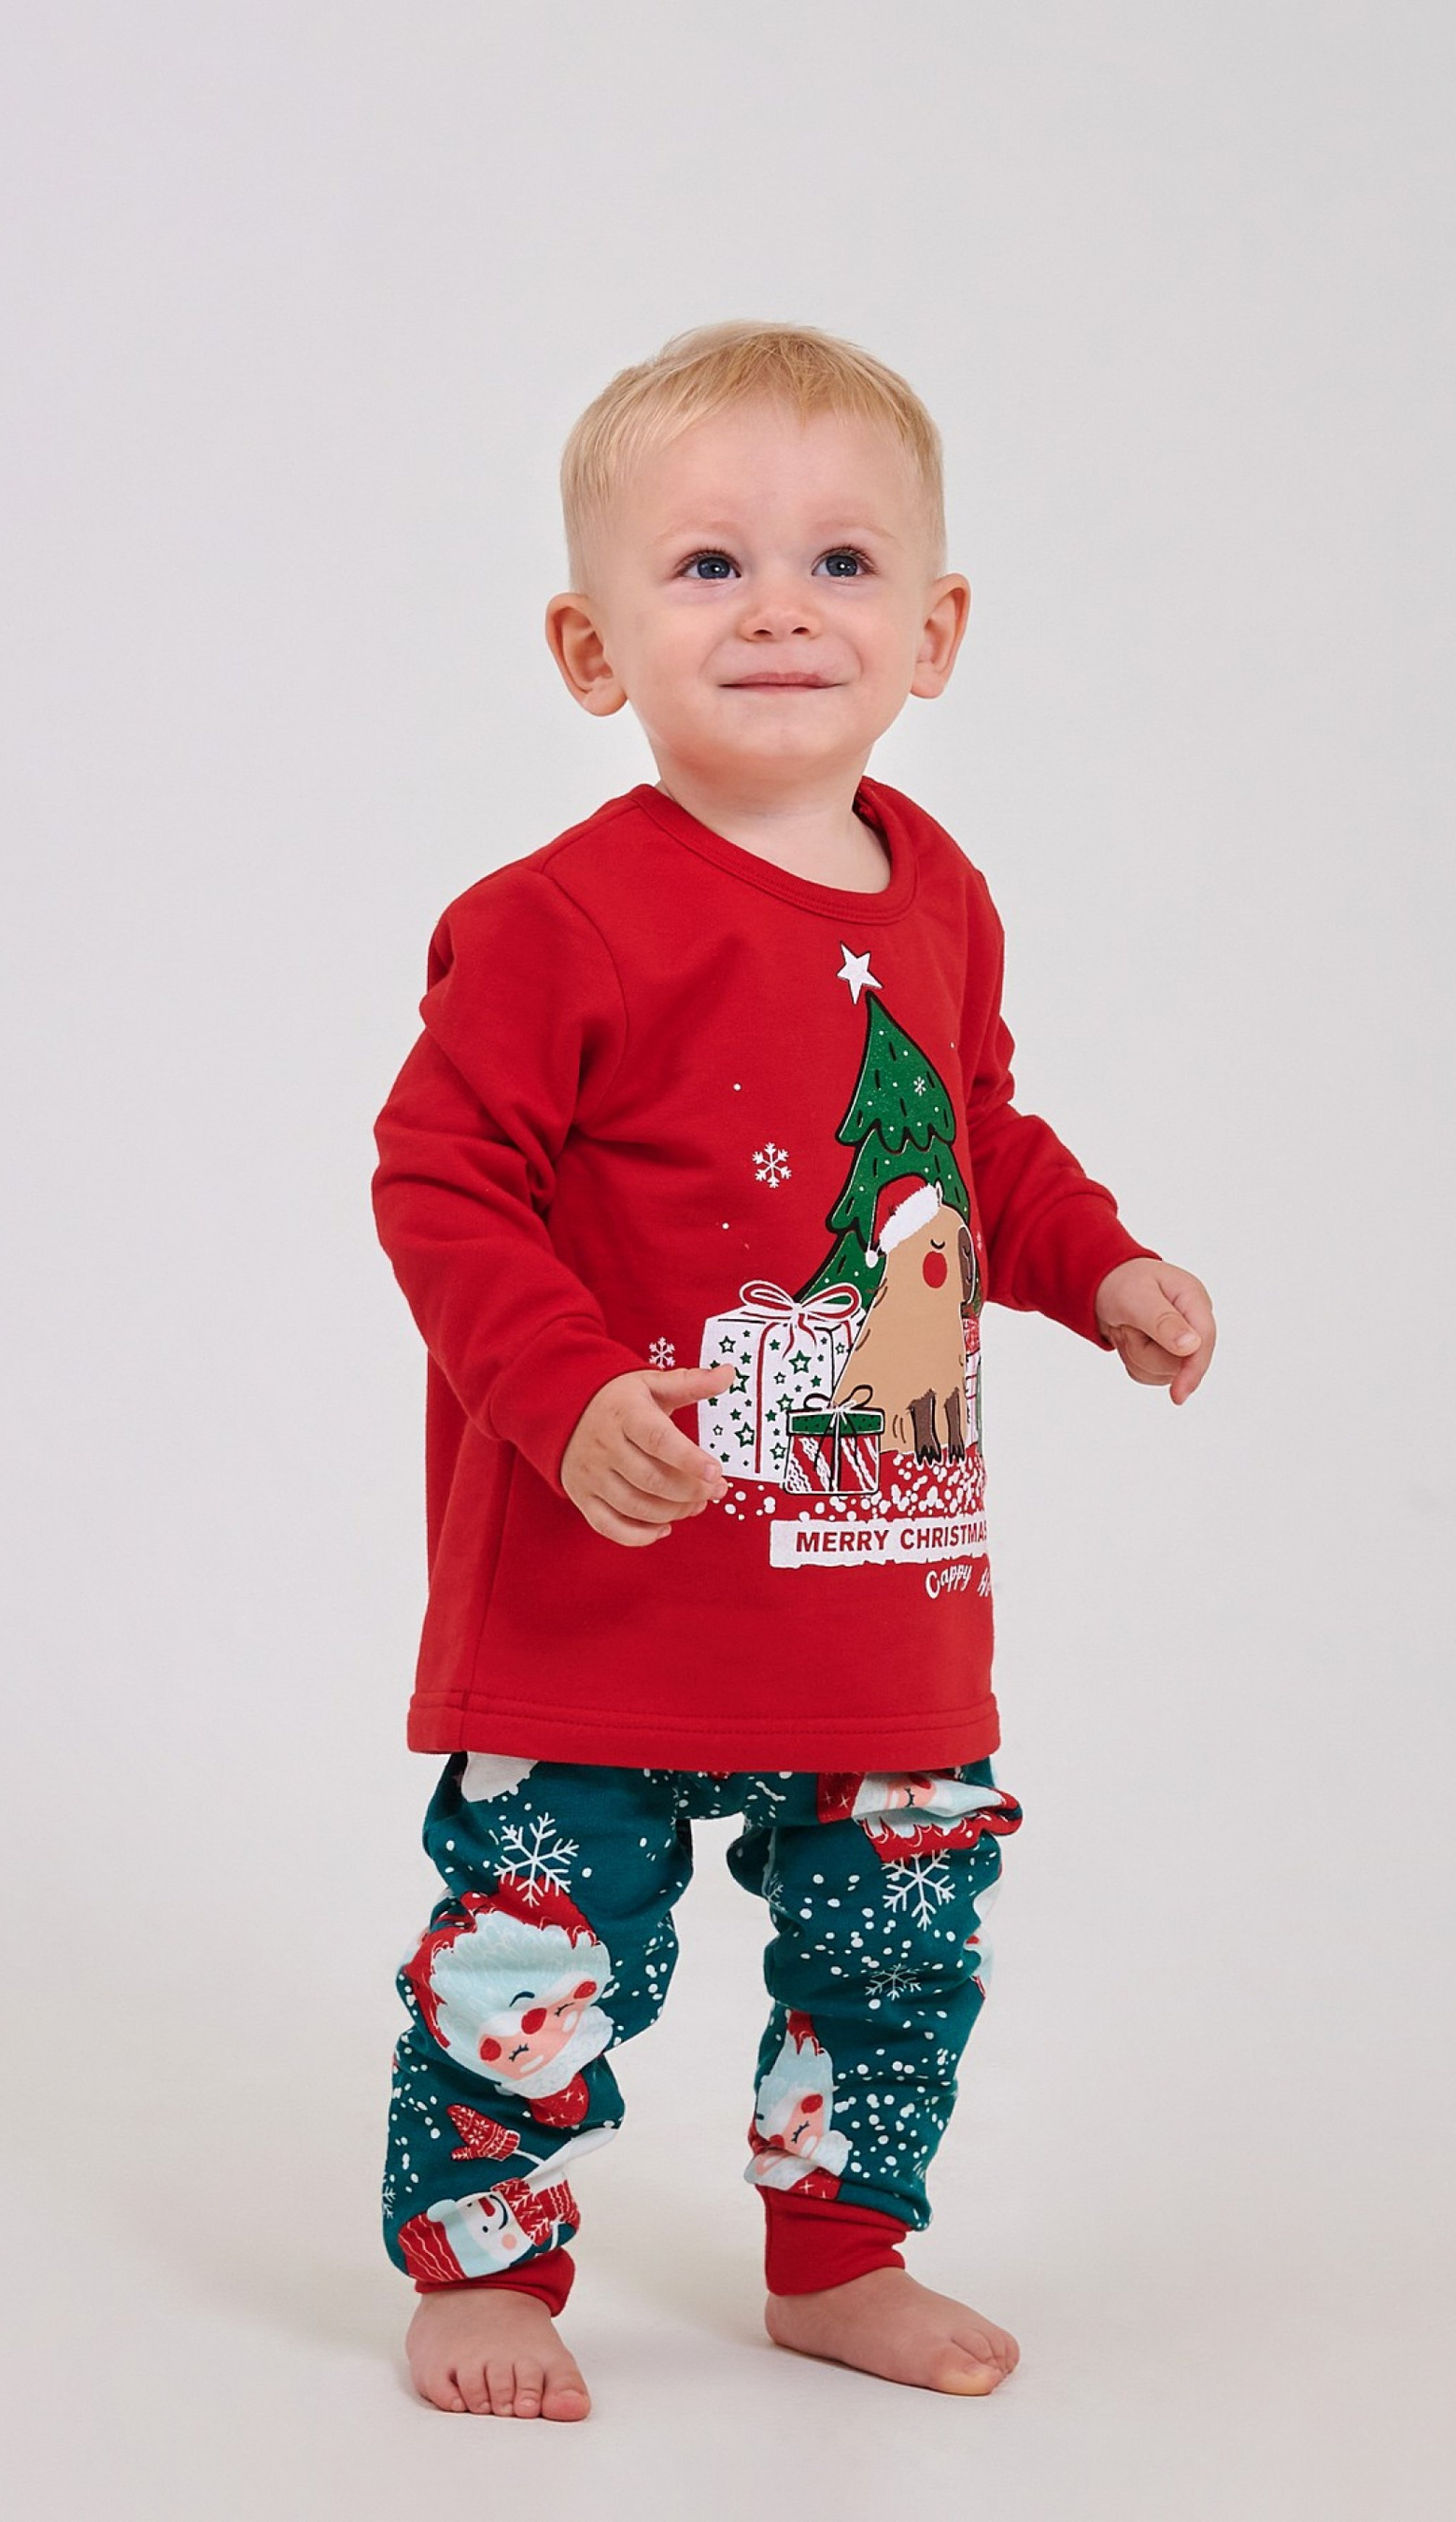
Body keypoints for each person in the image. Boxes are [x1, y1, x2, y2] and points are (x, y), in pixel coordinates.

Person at [371, 320, 1216, 2421]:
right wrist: (565, 1395)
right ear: (592, 650)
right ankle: (481, 2266)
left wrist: (1098, 1265)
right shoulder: (556, 920)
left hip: (872, 1588)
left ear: (932, 631)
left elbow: (977, 1144)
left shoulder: (939, 893)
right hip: (603, 1601)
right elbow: (440, 1182)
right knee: (539, 1948)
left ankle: (842, 2255)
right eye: (706, 566)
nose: (777, 609)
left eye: (839, 562)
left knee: (898, 1942)